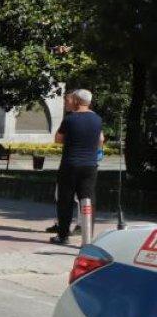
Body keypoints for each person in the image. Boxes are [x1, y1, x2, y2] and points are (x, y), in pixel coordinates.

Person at [50, 88, 104, 244]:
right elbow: (101, 139)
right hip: (90, 165)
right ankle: (88, 238)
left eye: (72, 99)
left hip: (70, 164)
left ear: (77, 101)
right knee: (88, 199)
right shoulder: (97, 119)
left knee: (65, 200)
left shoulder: (70, 119)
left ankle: (63, 235)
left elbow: (58, 139)